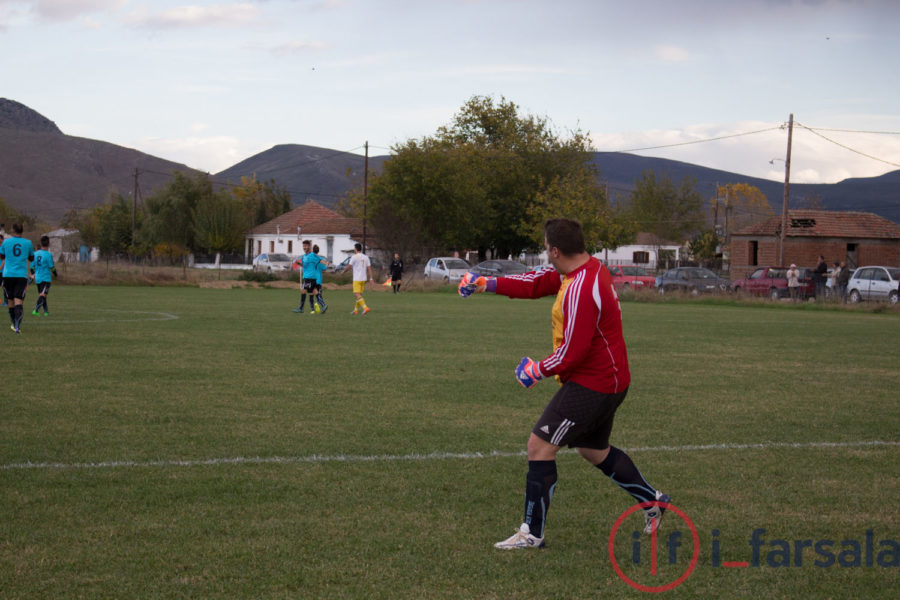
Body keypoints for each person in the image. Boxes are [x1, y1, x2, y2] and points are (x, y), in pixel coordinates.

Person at [459, 218, 669, 550]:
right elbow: (536, 282)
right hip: (611, 380)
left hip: (594, 384)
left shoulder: (582, 289)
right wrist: (488, 283)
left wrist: (536, 370)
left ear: (555, 250)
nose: (545, 253)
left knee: (539, 446)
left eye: (545, 248)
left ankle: (532, 534)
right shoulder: (584, 269)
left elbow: (573, 351)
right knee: (593, 450)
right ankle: (654, 502)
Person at [0, 224, 35, 333]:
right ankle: (17, 326)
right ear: (22, 231)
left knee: (10, 300)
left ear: (12, 230)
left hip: (8, 275)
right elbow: (31, 258)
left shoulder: (6, 242)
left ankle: (13, 323)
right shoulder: (28, 243)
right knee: (18, 300)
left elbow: (2, 256)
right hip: (21, 275)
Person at [342, 242, 374, 315]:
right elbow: (369, 268)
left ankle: (365, 308)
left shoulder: (354, 257)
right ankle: (355, 310)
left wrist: (343, 272)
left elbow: (349, 267)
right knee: (359, 295)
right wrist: (371, 278)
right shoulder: (366, 257)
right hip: (364, 279)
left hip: (357, 279)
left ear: (356, 249)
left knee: (357, 294)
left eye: (354, 248)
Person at [294, 240, 323, 314]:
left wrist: (326, 263)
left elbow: (320, 260)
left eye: (306, 246)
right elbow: (304, 265)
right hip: (308, 277)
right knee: (313, 292)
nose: (304, 247)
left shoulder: (312, 255)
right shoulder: (304, 256)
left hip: (310, 277)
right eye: (303, 246)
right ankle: (318, 307)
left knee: (304, 291)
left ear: (310, 246)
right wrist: (298, 263)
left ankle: (302, 308)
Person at [31, 235, 57, 316]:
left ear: (41, 243)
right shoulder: (48, 255)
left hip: (38, 278)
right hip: (45, 278)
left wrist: (33, 274)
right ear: (48, 244)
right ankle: (36, 310)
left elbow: (32, 267)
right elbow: (51, 267)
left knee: (43, 295)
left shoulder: (35, 254)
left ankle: (46, 311)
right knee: (43, 295)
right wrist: (56, 274)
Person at [313, 244, 328, 313]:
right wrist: (327, 264)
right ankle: (321, 306)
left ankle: (318, 306)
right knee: (319, 294)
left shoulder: (311, 259)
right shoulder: (321, 260)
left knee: (317, 294)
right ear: (318, 251)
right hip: (319, 279)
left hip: (312, 278)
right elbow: (324, 270)